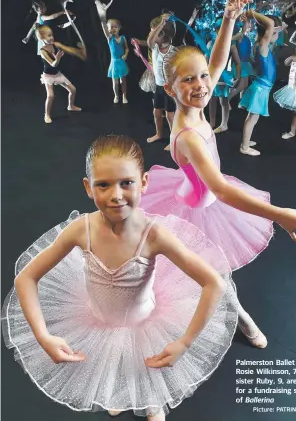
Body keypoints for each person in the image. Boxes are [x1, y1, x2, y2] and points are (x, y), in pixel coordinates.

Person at [2, 134, 268, 420]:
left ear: (143, 182)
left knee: (147, 365)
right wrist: (43, 335)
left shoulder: (153, 234)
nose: (116, 195)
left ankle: (152, 401)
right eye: (103, 185)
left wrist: (184, 342)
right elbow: (25, 278)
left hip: (146, 322)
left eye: (126, 183)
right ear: (88, 187)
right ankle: (120, 394)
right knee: (112, 363)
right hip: (97, 319)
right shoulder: (80, 230)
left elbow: (214, 281)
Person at [140, 0, 296, 275]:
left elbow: (217, 63)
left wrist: (229, 18)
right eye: (188, 79)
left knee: (209, 271)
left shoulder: (196, 105)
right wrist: (279, 215)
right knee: (202, 272)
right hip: (195, 210)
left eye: (203, 76)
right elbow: (219, 189)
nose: (201, 85)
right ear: (170, 90)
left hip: (201, 198)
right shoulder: (188, 136)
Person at [238, 11, 282, 156]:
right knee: (252, 118)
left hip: (262, 87)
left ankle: (246, 140)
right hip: (261, 89)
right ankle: (244, 147)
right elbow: (269, 24)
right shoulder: (263, 45)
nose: (278, 35)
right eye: (276, 33)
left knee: (251, 117)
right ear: (269, 31)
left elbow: (271, 25)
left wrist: (277, 27)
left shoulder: (262, 44)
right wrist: (252, 14)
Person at [37, 25, 87, 124]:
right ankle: (46, 114)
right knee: (51, 96)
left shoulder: (56, 44)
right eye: (48, 36)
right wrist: (58, 58)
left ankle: (71, 106)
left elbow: (68, 49)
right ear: (42, 38)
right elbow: (53, 64)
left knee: (73, 90)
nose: (51, 37)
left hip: (57, 74)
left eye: (52, 35)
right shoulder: (43, 51)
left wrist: (79, 52)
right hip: (48, 76)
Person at [146, 14, 176, 148]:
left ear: (163, 34)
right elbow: (149, 41)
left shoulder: (173, 51)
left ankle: (174, 140)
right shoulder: (155, 47)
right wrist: (160, 24)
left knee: (170, 116)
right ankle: (159, 134)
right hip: (158, 86)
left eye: (154, 32)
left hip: (169, 88)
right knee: (156, 112)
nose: (150, 35)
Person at [95, 0, 129, 104]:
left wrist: (126, 54)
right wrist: (103, 17)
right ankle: (116, 95)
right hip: (114, 63)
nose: (113, 29)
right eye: (111, 27)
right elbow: (103, 25)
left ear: (119, 28)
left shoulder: (123, 38)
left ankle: (124, 96)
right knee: (115, 83)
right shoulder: (110, 39)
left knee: (123, 81)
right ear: (109, 30)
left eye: (115, 27)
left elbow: (127, 48)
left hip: (122, 62)